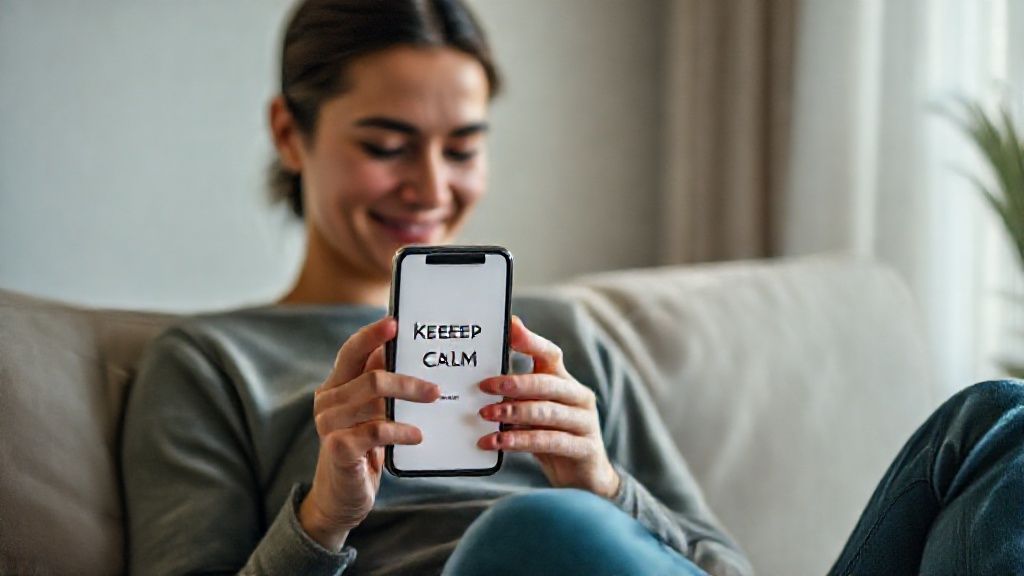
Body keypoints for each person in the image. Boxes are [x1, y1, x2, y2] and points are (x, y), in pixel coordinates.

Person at [120, 1, 1024, 575]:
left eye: (463, 147)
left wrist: (603, 483)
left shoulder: (558, 336)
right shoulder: (211, 363)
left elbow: (724, 569)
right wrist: (323, 517)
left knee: (995, 419)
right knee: (535, 538)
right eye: (387, 144)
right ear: (290, 133)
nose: (432, 187)